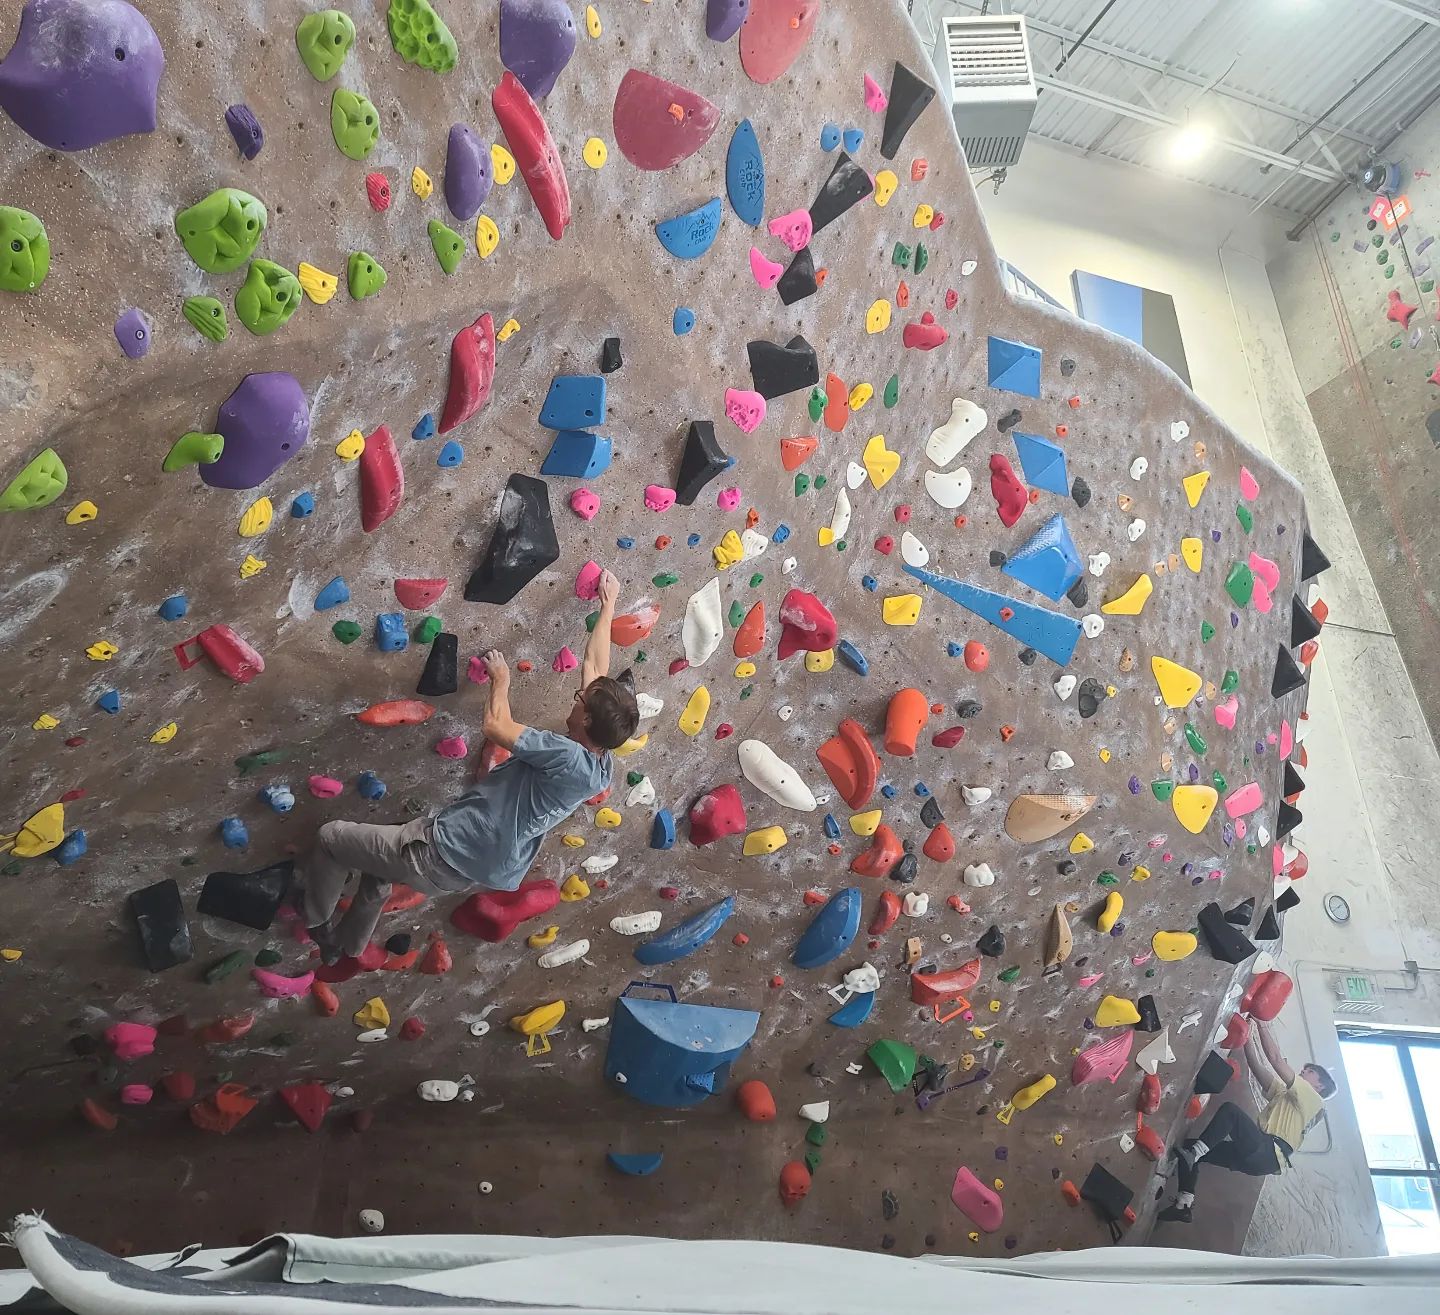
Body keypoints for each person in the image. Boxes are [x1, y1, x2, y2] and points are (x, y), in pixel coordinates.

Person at [300, 568, 639, 962]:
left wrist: (501, 680)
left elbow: (497, 726)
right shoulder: (601, 759)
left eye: (579, 700)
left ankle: (316, 925)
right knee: (378, 871)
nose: (576, 698)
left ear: (585, 721)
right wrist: (608, 602)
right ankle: (348, 946)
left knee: (330, 837)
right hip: (478, 861)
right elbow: (595, 670)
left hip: (442, 849)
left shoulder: (566, 756)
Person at [1159, 1019, 1338, 1224]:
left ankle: (1194, 1155)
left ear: (1320, 1086)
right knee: (1190, 1148)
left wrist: (1262, 1024)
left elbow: (1276, 1059)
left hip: (1268, 1151)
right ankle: (1184, 1204)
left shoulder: (1314, 1099)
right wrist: (1246, 1034)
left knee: (1230, 1113)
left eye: (1310, 1072)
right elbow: (1257, 1066)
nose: (1303, 1071)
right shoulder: (1288, 1096)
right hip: (1260, 1157)